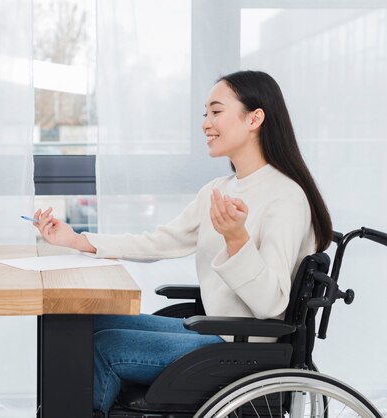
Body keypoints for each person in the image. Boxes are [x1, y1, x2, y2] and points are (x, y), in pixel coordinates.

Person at [31, 70, 332, 417]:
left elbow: (272, 304)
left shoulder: (285, 197)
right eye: (205, 114)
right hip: (217, 329)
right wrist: (77, 239)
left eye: (216, 112)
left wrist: (237, 240)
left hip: (242, 344)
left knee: (100, 347)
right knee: (81, 323)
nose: (206, 123)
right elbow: (160, 241)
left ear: (255, 118)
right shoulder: (221, 189)